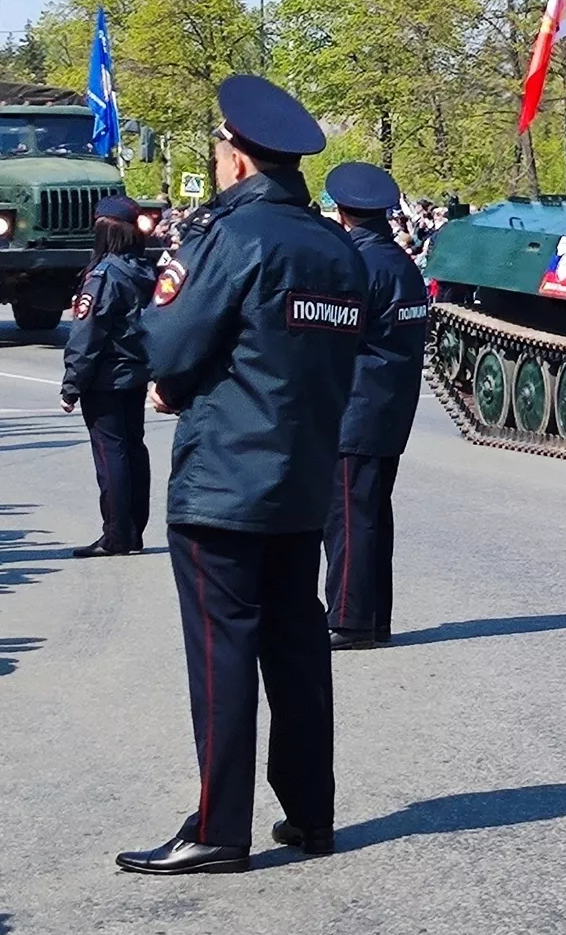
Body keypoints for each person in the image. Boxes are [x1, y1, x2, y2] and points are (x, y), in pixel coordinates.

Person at [116, 76, 370, 877]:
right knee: (297, 647)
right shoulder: (336, 247)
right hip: (301, 481)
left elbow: (169, 345)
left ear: (234, 160)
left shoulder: (232, 238)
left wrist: (171, 380)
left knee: (224, 655)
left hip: (225, 479)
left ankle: (218, 828)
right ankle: (312, 814)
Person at [324, 162, 429, 652]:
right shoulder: (402, 263)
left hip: (354, 408)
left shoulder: (357, 266)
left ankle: (349, 619)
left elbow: (339, 338)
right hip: (391, 406)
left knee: (348, 517)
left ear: (343, 213)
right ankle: (374, 616)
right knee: (371, 515)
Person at [59, 196, 155, 557]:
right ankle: (134, 531)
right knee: (133, 449)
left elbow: (87, 334)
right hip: (135, 373)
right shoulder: (145, 271)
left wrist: (72, 385)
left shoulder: (103, 276)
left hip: (105, 377)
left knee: (111, 455)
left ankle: (116, 534)